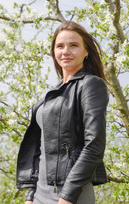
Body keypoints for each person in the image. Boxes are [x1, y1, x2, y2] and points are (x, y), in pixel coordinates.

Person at [16, 21, 109, 204]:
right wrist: (30, 196)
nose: (65, 51)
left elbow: (94, 145)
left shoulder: (90, 84)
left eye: (74, 45)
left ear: (86, 51)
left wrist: (67, 197)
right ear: (54, 52)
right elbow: (39, 149)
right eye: (60, 46)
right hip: (39, 196)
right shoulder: (51, 94)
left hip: (72, 194)